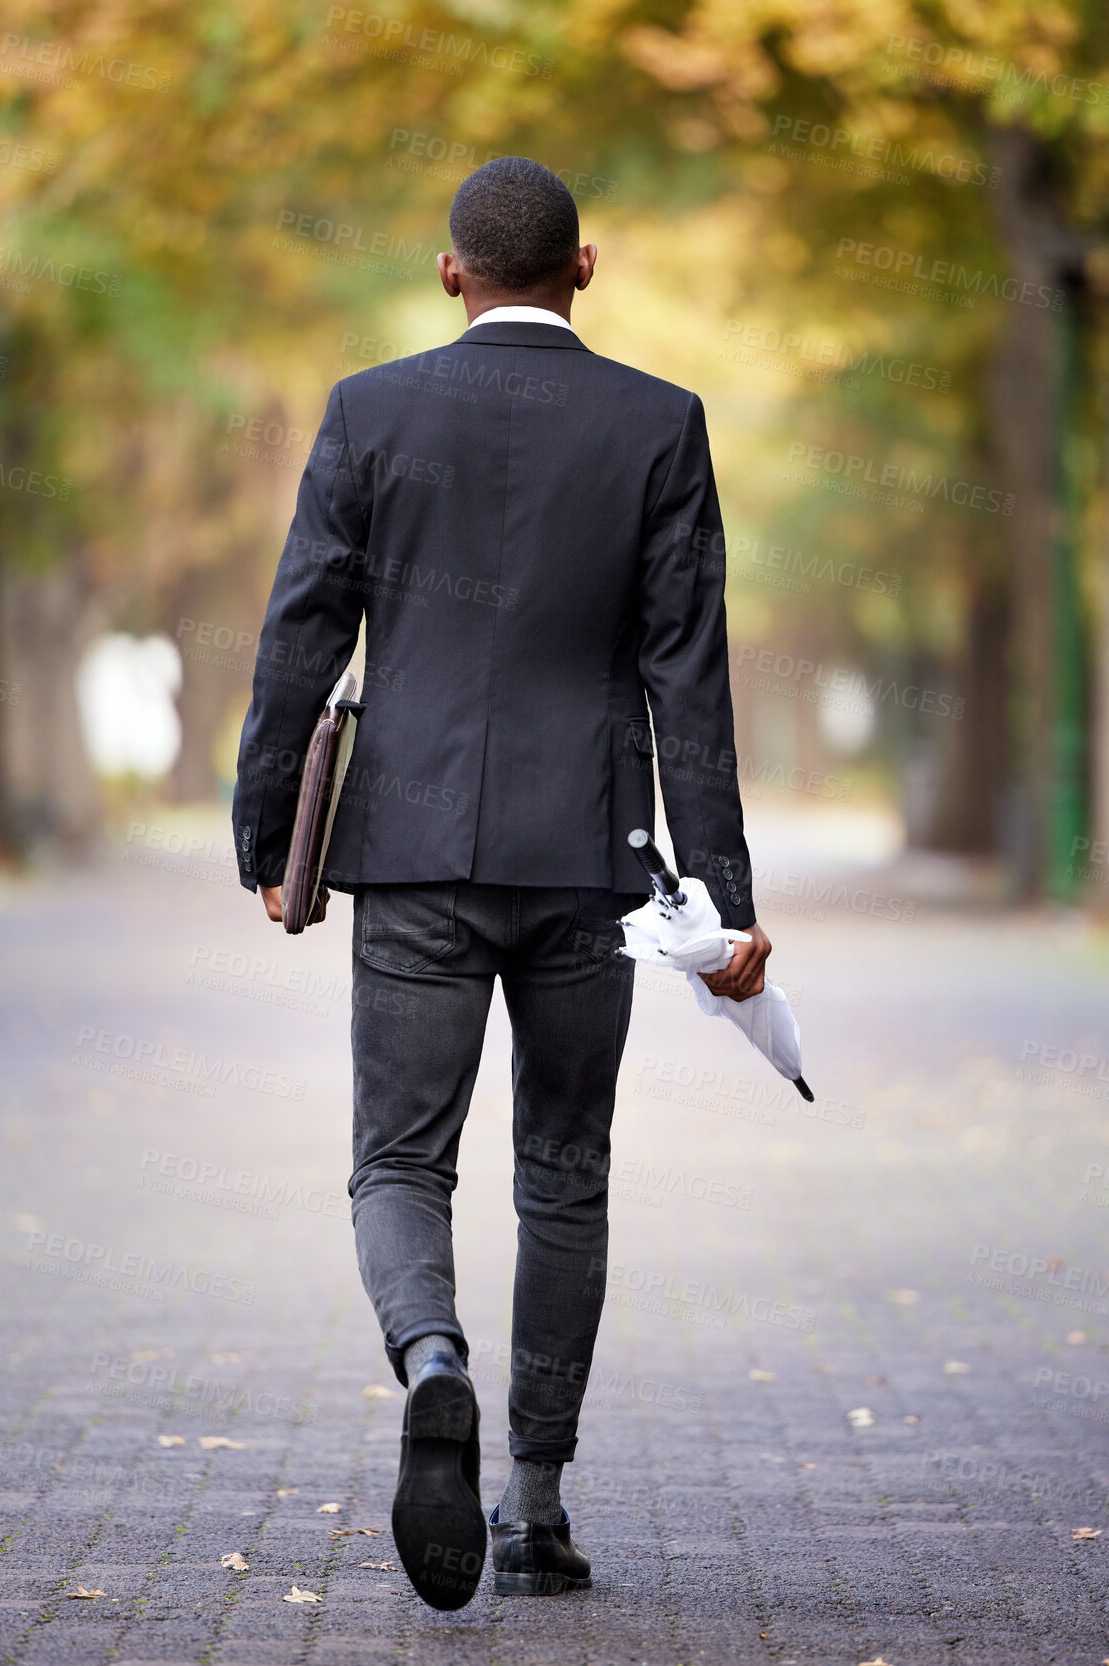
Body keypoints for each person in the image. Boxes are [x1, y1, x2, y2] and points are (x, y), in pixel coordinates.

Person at [232, 156, 772, 1610]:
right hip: (589, 860)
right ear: (584, 268)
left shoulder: (369, 411)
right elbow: (689, 682)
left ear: (450, 272)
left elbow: (300, 632)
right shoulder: (661, 426)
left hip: (409, 855)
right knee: (566, 1174)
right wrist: (715, 901)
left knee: (401, 1159)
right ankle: (534, 1503)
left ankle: (433, 1359)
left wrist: (265, 820)